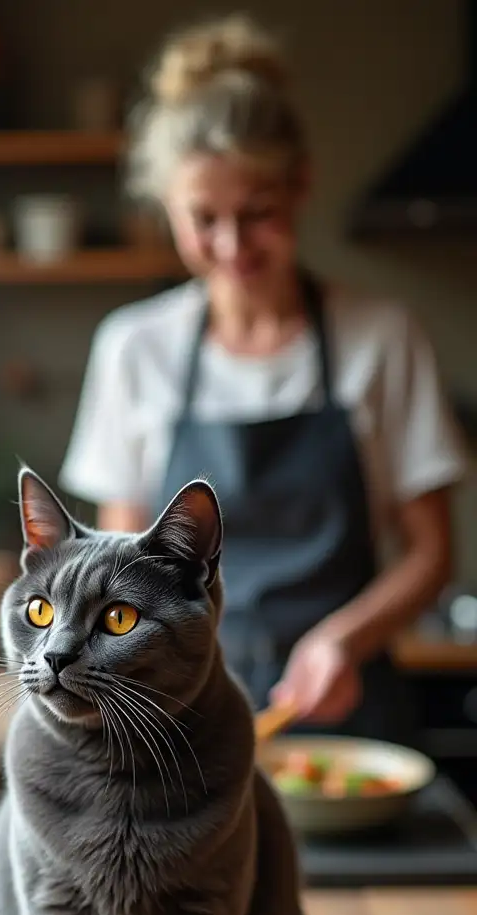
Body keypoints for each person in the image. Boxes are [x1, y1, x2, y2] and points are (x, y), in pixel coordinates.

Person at [58, 14, 469, 744]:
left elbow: (433, 554)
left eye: (258, 215)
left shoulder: (381, 337)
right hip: (176, 711)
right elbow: (117, 563)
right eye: (203, 218)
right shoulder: (133, 349)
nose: (231, 245)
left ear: (301, 184)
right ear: (166, 209)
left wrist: (342, 640)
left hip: (352, 706)